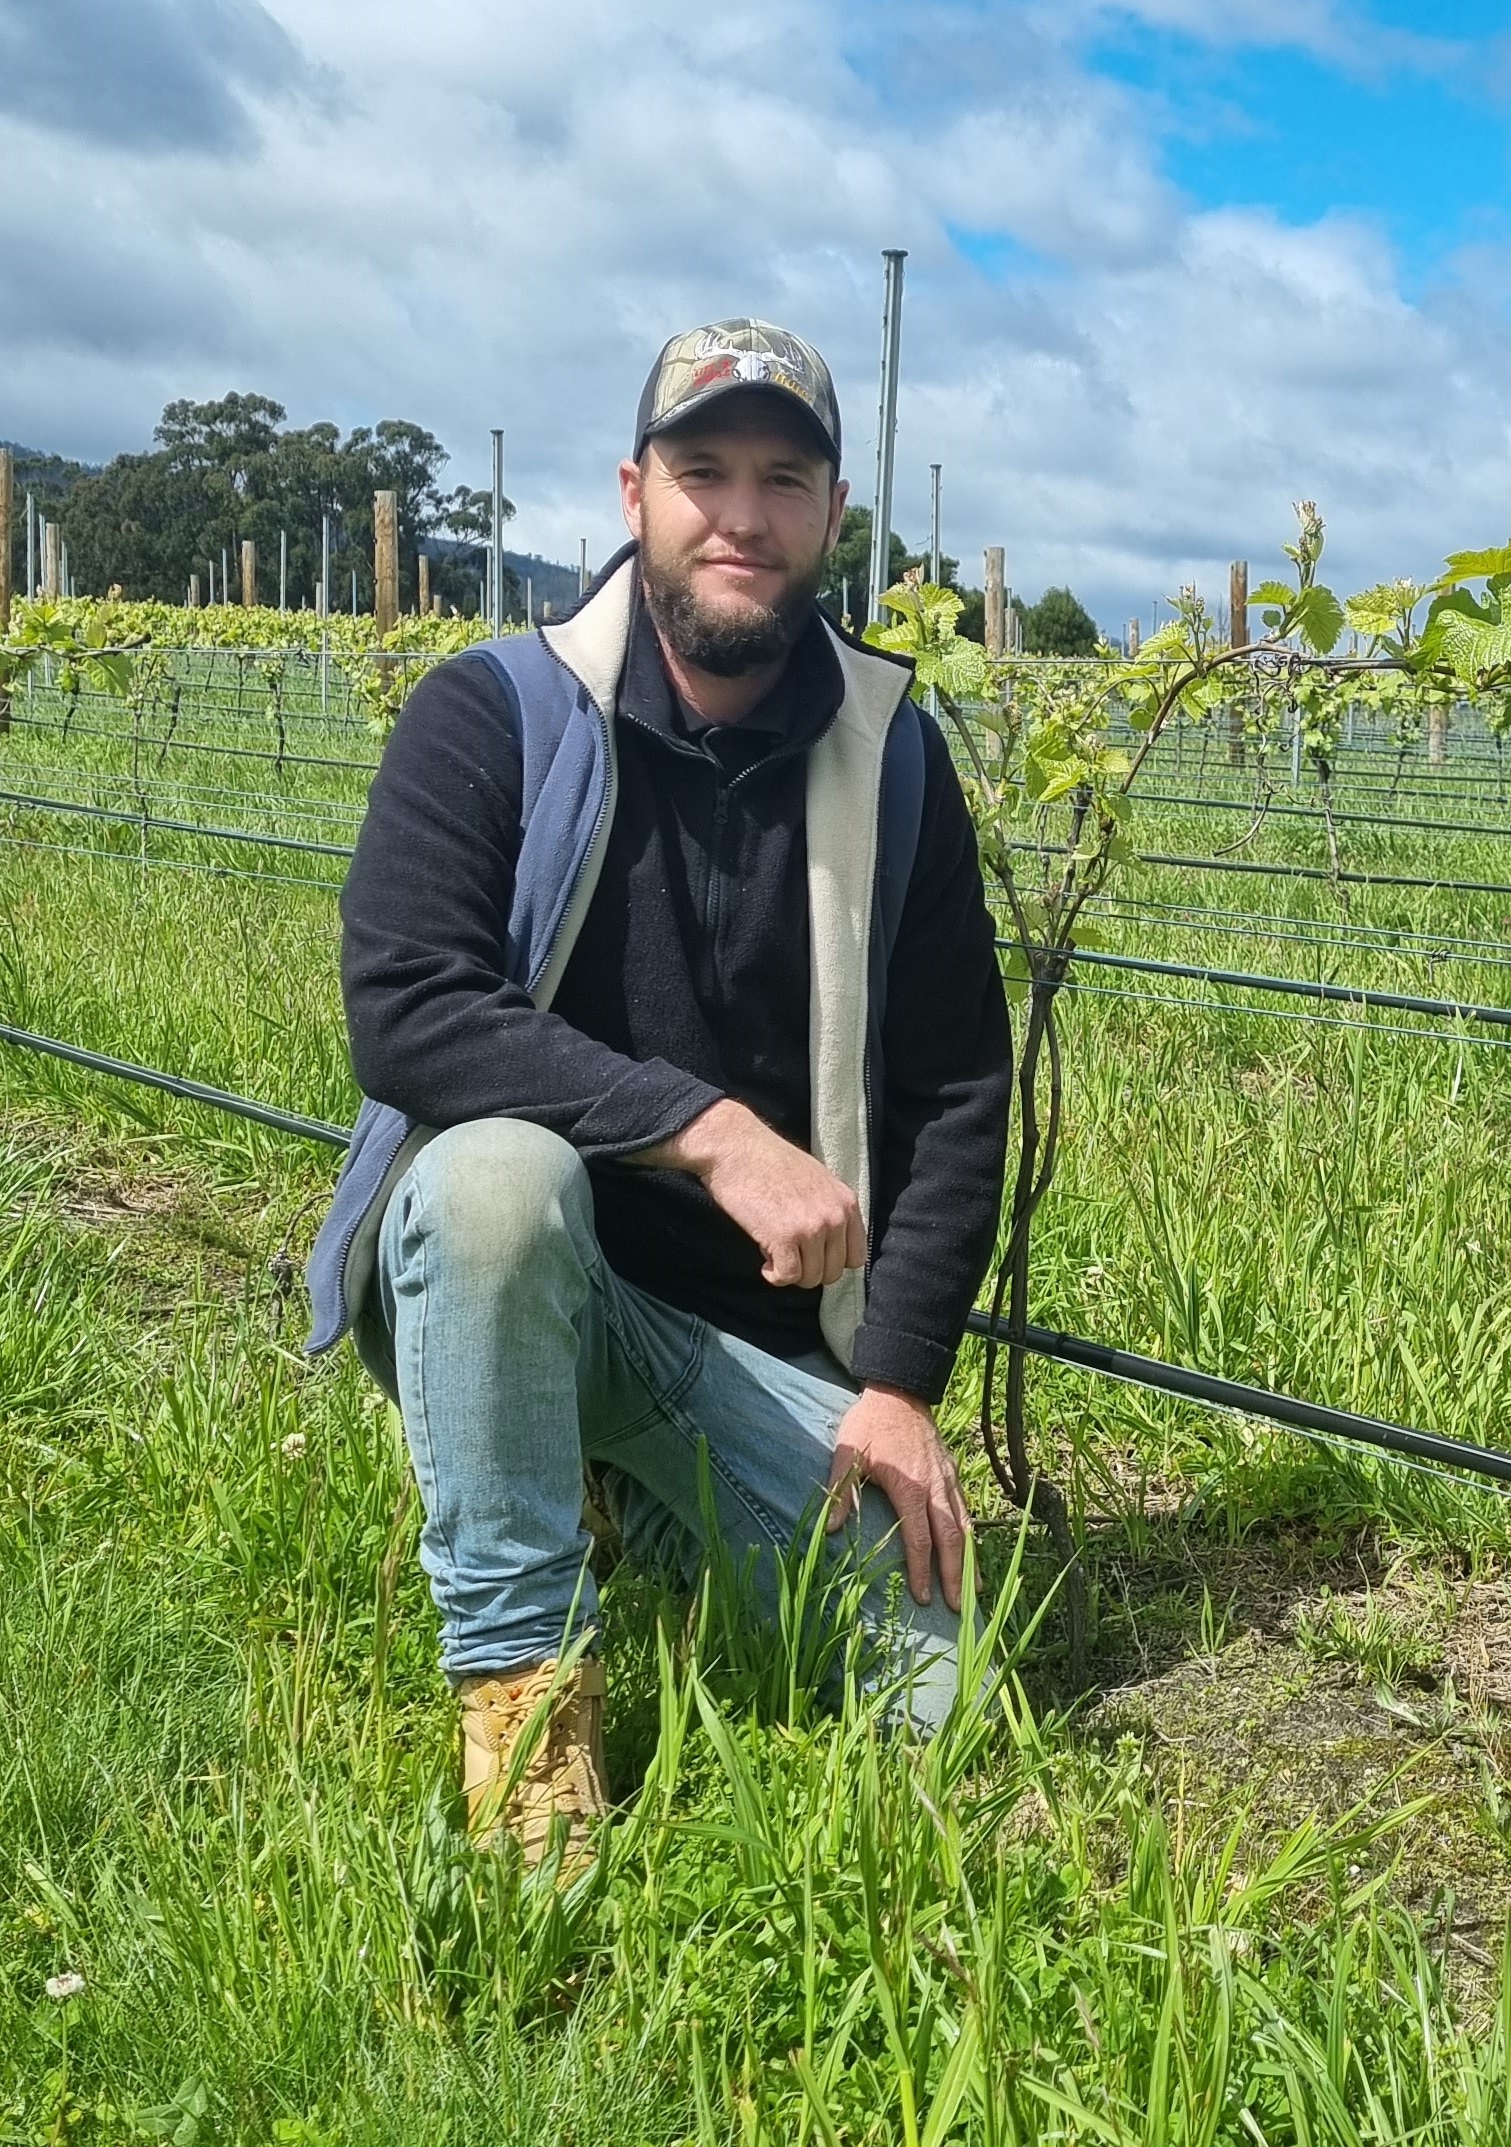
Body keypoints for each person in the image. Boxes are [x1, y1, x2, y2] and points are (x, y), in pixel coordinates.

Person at [304, 319, 1012, 1864]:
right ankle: (528, 1714)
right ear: (636, 495)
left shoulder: (892, 762)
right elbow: (405, 1010)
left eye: (783, 479)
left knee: (933, 1692)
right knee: (500, 1185)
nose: (739, 516)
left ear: (833, 518)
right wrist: (707, 1134)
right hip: (527, 1277)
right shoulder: (489, 714)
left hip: (745, 1353)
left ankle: (615, 1493)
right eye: (703, 472)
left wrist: (896, 1389)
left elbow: (959, 1086)